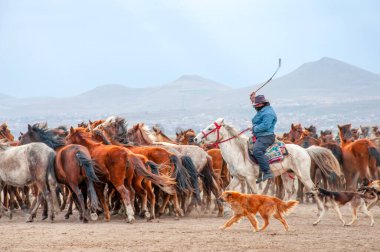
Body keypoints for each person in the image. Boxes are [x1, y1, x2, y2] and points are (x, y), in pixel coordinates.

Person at [249, 92, 277, 183]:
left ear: (261, 104)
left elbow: (265, 126)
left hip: (266, 136)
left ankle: (267, 172)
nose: (255, 106)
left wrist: (254, 128)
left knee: (257, 151)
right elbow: (258, 110)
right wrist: (253, 99)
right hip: (260, 135)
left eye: (256, 104)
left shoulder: (268, 113)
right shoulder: (264, 109)